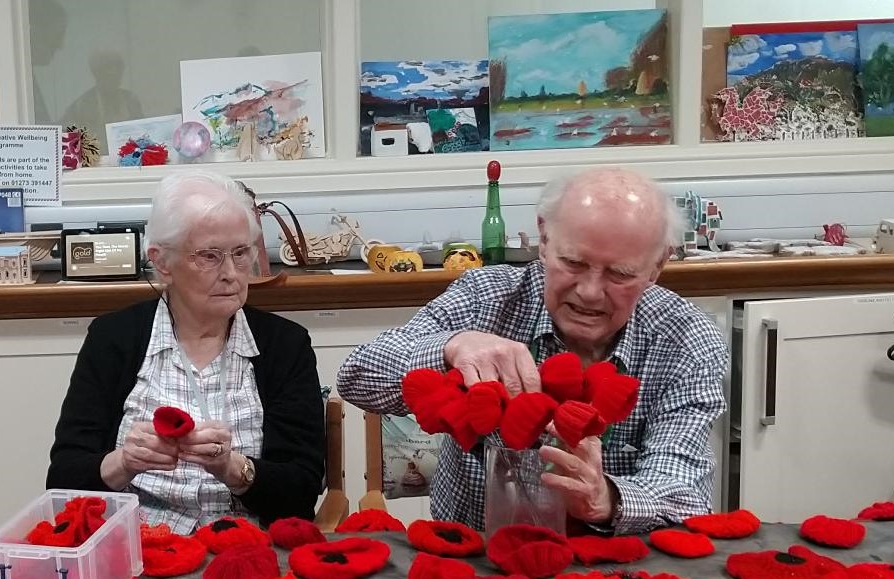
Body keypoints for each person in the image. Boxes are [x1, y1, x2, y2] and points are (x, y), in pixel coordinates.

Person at [336, 167, 728, 535]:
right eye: (573, 262)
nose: (590, 292)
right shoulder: (485, 298)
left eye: (620, 274)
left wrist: (605, 498)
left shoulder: (686, 339)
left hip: (613, 564)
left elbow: (685, 494)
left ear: (658, 265)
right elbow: (356, 376)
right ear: (543, 239)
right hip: (473, 555)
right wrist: (452, 347)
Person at [47, 170, 325, 532]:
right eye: (209, 256)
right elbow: (63, 482)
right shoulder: (114, 339)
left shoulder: (285, 346)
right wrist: (125, 462)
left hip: (250, 545)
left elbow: (301, 491)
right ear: (162, 262)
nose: (231, 273)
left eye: (241, 253)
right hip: (138, 544)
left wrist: (232, 468)